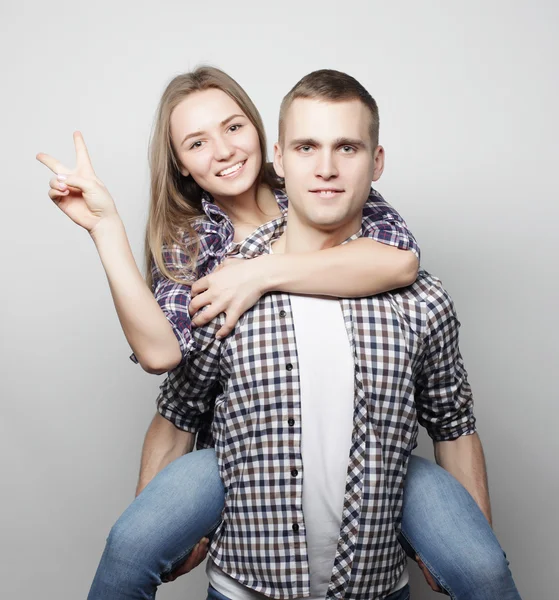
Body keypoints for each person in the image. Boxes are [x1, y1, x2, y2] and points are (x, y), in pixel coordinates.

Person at [36, 67, 520, 599]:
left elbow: (402, 266)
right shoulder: (204, 260)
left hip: (377, 510)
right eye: (197, 142)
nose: (327, 168)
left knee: (483, 569)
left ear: (265, 143)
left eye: (233, 128)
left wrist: (261, 272)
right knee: (130, 545)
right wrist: (107, 229)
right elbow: (167, 376)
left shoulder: (373, 247)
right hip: (243, 482)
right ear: (284, 157)